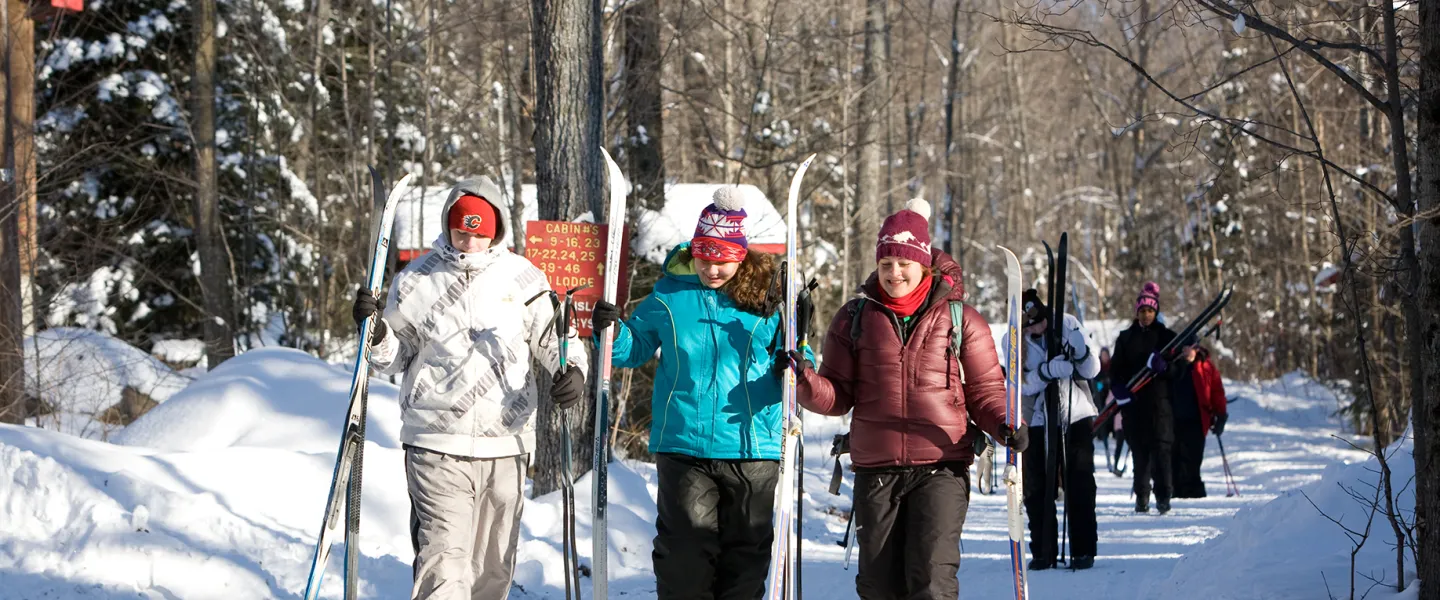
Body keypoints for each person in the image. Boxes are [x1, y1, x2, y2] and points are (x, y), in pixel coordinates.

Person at [353, 177, 590, 600]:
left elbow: (556, 338)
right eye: (462, 230)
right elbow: (395, 355)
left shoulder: (524, 277)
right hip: (435, 439)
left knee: (493, 567)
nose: (469, 242)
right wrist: (376, 335)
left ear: (496, 230)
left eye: (480, 233)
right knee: (445, 560)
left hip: (508, 441)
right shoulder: (416, 279)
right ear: (449, 224)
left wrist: (571, 369)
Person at [789, 198, 1026, 599]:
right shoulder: (855, 317)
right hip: (875, 470)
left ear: (924, 265)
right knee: (879, 587)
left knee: (931, 581)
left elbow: (985, 389)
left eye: (903, 263)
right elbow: (837, 396)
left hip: (941, 466)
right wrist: (804, 382)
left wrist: (1005, 424)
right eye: (886, 265)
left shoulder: (960, 319)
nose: (894, 273)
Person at [590, 187, 812, 600]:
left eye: (723, 259)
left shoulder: (768, 298)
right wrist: (611, 330)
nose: (712, 268)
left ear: (740, 255)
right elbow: (631, 349)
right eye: (705, 257)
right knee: (683, 560)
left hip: (754, 447)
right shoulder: (670, 295)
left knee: (743, 564)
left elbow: (803, 357)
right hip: (684, 444)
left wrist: (793, 366)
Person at [1003, 288, 1100, 570]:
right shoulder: (1011, 341)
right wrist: (1045, 372)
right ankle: (1043, 550)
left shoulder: (1067, 323)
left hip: (1075, 414)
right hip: (1035, 421)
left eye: (1040, 320)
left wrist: (1080, 352)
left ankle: (1083, 549)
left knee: (1080, 483)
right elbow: (1017, 385)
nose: (1036, 327)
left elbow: (1091, 370)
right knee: (1037, 487)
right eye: (1029, 324)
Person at [1110, 281, 1183, 514]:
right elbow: (1115, 371)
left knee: (1162, 454)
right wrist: (1120, 391)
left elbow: (1179, 373)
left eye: (1150, 311)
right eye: (1142, 311)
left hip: (1161, 408)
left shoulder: (1168, 338)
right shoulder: (1125, 338)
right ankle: (1142, 496)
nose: (1146, 315)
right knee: (1140, 456)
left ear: (1156, 311)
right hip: (1134, 407)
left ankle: (1164, 496)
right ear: (1137, 312)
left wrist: (1164, 368)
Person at [1170, 344, 1229, 498]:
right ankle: (1173, 491)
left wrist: (1221, 415)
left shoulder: (1205, 366)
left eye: (1190, 348)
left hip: (1197, 421)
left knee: (1193, 460)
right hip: (1173, 420)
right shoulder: (1173, 365)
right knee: (1174, 458)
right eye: (1184, 348)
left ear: (1196, 349)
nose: (1187, 352)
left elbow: (1216, 391)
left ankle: (1192, 492)